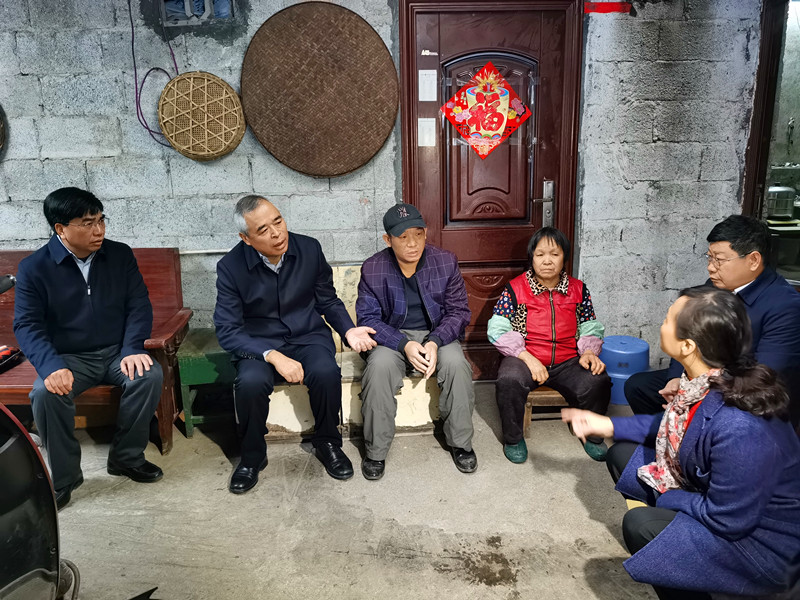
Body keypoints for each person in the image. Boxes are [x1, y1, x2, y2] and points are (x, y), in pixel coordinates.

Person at [563, 287, 800, 600]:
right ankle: (677, 538)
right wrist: (608, 424)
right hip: (722, 501)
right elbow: (677, 429)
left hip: (761, 547)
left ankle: (689, 574)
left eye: (667, 320)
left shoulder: (740, 426)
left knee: (641, 524)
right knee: (622, 454)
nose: (661, 325)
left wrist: (668, 496)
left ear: (688, 346)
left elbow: (727, 520)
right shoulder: (708, 380)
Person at [13, 188, 164, 510]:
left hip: (116, 352)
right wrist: (51, 366)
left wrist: (132, 348)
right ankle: (65, 478)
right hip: (69, 358)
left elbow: (138, 305)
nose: (99, 230)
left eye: (101, 220)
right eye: (87, 223)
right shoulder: (34, 268)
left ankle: (126, 458)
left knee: (148, 376)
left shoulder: (119, 255)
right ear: (61, 228)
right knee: (45, 393)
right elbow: (27, 324)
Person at [214, 195, 376, 494]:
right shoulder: (230, 268)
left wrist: (348, 330)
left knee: (326, 371)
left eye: (278, 221)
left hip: (307, 334)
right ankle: (252, 456)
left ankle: (328, 442)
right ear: (246, 238)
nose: (277, 233)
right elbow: (227, 330)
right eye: (263, 230)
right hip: (259, 343)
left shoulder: (309, 248)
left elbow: (327, 300)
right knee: (250, 382)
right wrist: (273, 356)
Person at [625, 215, 800, 427]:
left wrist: (696, 391)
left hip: (745, 395)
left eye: (719, 260)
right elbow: (686, 335)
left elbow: (766, 377)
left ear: (753, 260)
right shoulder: (714, 286)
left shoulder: (785, 306)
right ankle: (674, 435)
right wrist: (676, 378)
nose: (711, 267)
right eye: (709, 257)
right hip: (703, 377)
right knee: (638, 387)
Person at [356, 203, 475, 480]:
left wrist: (434, 341)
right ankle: (375, 451)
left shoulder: (445, 261)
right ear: (388, 240)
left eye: (418, 235)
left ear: (426, 233)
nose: (412, 243)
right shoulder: (373, 268)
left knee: (457, 365)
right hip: (393, 337)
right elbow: (368, 319)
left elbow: (459, 312)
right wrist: (404, 345)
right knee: (379, 368)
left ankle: (461, 444)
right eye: (403, 237)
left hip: (438, 333)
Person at [488, 227, 611, 463]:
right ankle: (513, 439)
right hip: (526, 357)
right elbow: (497, 329)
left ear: (564, 258)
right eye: (540, 254)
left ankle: (592, 435)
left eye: (554, 254)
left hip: (569, 360)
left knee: (599, 379)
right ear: (532, 258)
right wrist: (527, 357)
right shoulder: (515, 288)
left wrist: (589, 352)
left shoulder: (578, 289)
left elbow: (589, 324)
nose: (547, 261)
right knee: (509, 380)